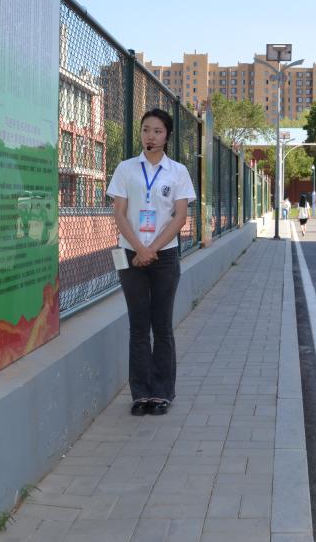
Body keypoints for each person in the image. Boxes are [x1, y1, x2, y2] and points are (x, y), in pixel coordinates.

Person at [107, 108, 196, 417]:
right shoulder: (126, 169)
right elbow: (119, 213)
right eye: (146, 129)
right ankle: (140, 393)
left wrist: (152, 249)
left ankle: (162, 392)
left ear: (167, 136)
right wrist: (138, 248)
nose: (151, 136)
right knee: (138, 326)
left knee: (162, 326)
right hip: (131, 253)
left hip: (164, 255)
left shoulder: (178, 172)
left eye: (157, 131)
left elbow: (180, 216)